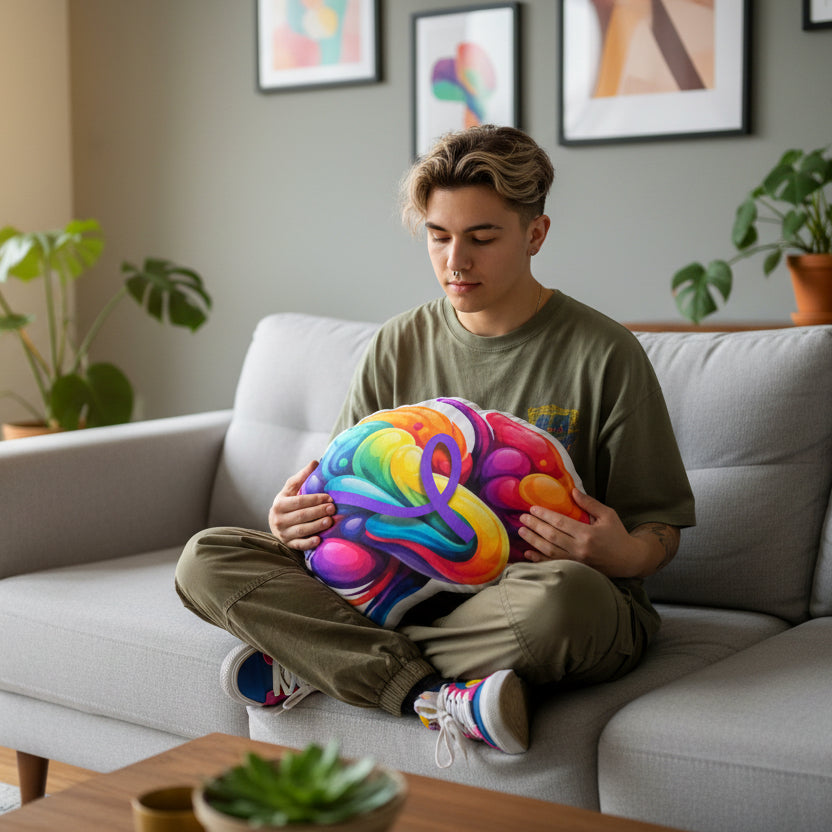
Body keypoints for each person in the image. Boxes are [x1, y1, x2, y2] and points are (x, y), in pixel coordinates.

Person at [175, 125, 695, 768]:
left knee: (565, 601)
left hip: (538, 599)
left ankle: (324, 657)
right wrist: (294, 520)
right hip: (393, 586)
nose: (456, 261)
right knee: (207, 557)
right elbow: (341, 491)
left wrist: (624, 552)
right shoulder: (398, 344)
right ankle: (428, 695)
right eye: (439, 236)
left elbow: (661, 528)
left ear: (535, 235)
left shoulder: (605, 353)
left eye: (482, 238)